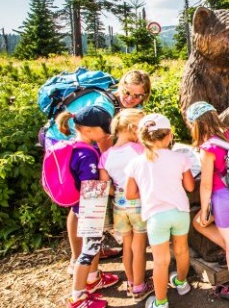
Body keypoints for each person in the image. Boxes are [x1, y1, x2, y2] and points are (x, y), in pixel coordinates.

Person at [57, 69, 152, 272]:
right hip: (78, 151)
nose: (131, 99)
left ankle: (91, 254)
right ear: (121, 86)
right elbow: (105, 144)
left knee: (91, 204)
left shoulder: (132, 107)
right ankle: (79, 260)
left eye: (137, 95)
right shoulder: (105, 106)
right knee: (83, 205)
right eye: (127, 92)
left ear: (145, 95)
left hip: (93, 153)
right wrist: (116, 173)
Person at [125, 113, 196, 308]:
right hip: (180, 212)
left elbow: (130, 194)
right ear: (169, 135)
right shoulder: (180, 158)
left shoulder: (136, 163)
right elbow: (190, 187)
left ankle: (161, 302)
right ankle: (181, 283)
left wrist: (149, 190)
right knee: (181, 251)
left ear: (142, 137)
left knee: (160, 261)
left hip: (156, 216)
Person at [55, 106, 119, 308]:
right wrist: (115, 191)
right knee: (88, 251)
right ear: (89, 130)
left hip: (82, 206)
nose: (108, 133)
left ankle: (92, 279)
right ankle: (78, 297)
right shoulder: (87, 155)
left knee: (93, 247)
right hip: (90, 207)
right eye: (104, 129)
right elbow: (91, 186)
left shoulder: (75, 146)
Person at [187, 101, 229, 302]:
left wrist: (206, 208)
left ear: (196, 124)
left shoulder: (209, 147)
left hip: (223, 199)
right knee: (200, 224)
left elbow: (205, 185)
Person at [98, 108, 155, 302]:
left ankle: (131, 282)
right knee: (140, 247)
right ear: (132, 129)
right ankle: (140, 286)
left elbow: (106, 186)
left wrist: (120, 192)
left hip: (119, 206)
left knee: (127, 245)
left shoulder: (105, 156)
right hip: (139, 202)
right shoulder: (138, 150)